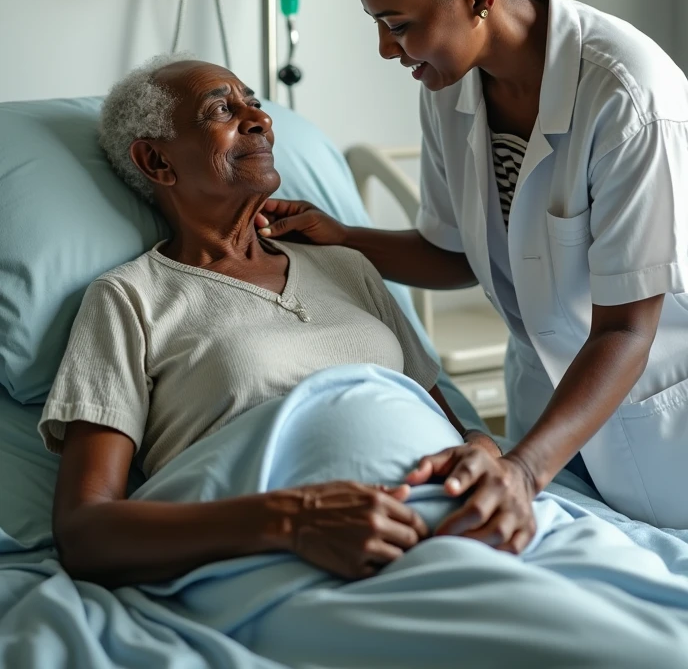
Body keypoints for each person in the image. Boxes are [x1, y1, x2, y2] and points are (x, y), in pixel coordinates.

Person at [258, 0, 688, 532]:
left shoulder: (629, 95)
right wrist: (341, 236)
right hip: (546, 408)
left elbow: (624, 330)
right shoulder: (452, 83)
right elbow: (456, 253)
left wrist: (523, 467)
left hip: (648, 411)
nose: (388, 51)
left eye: (399, 24)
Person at [39, 56, 519, 588]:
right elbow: (86, 531)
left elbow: (455, 430)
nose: (259, 120)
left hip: (468, 524)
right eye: (221, 109)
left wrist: (489, 456)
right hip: (299, 566)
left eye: (256, 104)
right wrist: (292, 520)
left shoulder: (346, 266)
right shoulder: (130, 299)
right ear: (156, 161)